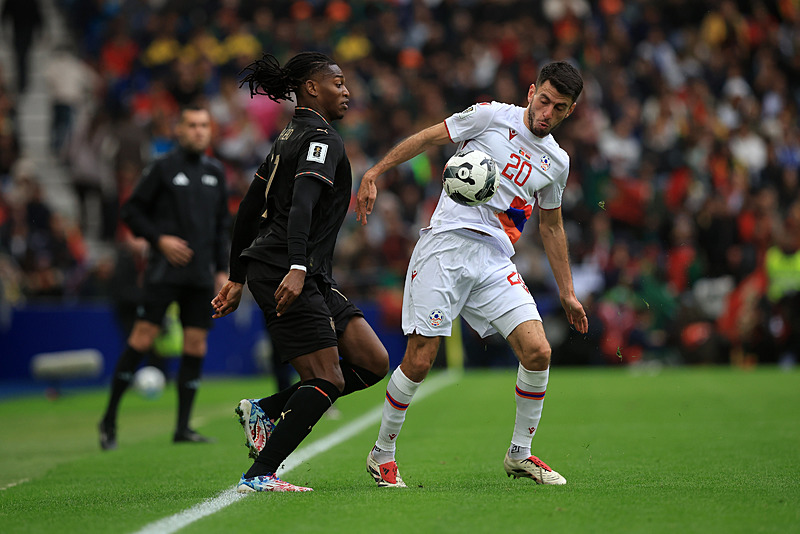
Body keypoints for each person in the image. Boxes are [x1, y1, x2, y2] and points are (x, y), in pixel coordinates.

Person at [356, 61, 589, 487]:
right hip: (445, 244)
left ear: (569, 112)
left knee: (538, 351)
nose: (546, 113)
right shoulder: (489, 115)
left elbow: (552, 226)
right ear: (531, 91)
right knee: (421, 358)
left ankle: (520, 453)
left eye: (559, 108)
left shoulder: (556, 162)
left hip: (496, 259)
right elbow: (430, 136)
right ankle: (382, 454)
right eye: (543, 101)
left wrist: (568, 292)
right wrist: (374, 173)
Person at [211, 52, 390, 493]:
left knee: (372, 361)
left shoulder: (288, 135)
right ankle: (260, 475)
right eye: (339, 83)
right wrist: (292, 266)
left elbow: (250, 209)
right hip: (287, 269)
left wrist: (236, 276)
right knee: (326, 378)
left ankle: (266, 410)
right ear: (312, 87)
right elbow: (303, 207)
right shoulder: (320, 139)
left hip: (304, 271)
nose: (347, 91)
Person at [99, 104, 230, 449]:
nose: (199, 130)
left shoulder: (216, 172)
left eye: (204, 125)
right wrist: (160, 240)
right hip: (164, 272)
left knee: (196, 343)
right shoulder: (162, 168)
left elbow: (220, 228)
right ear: (179, 130)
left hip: (201, 275)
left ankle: (183, 427)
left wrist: (220, 270)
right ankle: (109, 418)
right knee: (142, 338)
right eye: (192, 125)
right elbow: (131, 211)